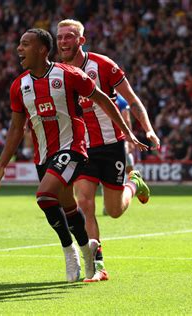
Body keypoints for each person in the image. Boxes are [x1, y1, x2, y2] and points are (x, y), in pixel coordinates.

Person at [0, 28, 148, 282]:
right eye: (19, 44)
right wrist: (2, 164)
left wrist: (129, 133)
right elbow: (17, 127)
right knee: (71, 207)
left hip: (73, 149)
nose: (19, 49)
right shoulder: (19, 85)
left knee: (45, 195)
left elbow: (104, 100)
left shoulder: (69, 74)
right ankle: (87, 251)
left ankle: (69, 252)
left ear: (42, 49)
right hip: (44, 155)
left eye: (25, 44)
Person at [57, 19, 161, 282]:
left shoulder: (103, 65)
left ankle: (134, 183)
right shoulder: (57, 73)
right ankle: (99, 265)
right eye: (59, 38)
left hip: (112, 145)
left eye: (69, 37)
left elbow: (134, 100)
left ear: (81, 41)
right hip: (81, 148)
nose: (63, 42)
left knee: (114, 210)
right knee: (84, 203)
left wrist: (147, 129)